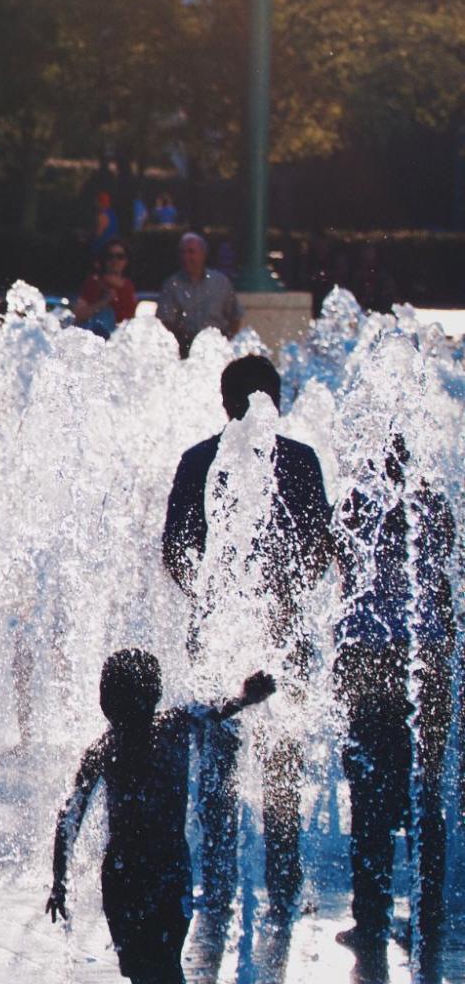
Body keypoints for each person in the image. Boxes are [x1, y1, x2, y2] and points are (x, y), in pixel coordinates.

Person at [161, 355, 332, 917]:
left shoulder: (198, 460)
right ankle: (282, 879)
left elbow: (175, 551)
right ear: (273, 402)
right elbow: (319, 549)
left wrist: (211, 597)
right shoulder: (301, 462)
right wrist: (284, 596)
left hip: (218, 635)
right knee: (280, 762)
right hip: (281, 637)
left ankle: (219, 881)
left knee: (219, 761)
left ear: (225, 401)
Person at [48, 651, 276, 984]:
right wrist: (58, 879)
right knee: (145, 972)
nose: (107, 702)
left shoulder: (170, 726)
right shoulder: (116, 745)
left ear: (149, 696)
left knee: (163, 966)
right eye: (106, 693)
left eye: (113, 693)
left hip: (151, 871)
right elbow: (70, 815)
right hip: (138, 874)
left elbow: (70, 816)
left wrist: (244, 698)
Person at [330, 434, 454, 968]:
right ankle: (427, 914)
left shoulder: (357, 503)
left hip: (368, 654)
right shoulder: (435, 504)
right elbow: (447, 575)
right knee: (426, 788)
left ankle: (372, 918)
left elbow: (342, 575)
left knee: (370, 792)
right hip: (426, 655)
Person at [155, 232, 239, 356]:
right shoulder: (172, 285)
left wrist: (228, 341)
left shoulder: (220, 282)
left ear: (203, 254)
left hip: (216, 346)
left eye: (191, 252)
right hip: (184, 347)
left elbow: (235, 316)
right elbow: (165, 321)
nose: (186, 257)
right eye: (182, 252)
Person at [72, 242, 138, 336]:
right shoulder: (94, 282)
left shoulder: (129, 286)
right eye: (110, 256)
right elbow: (77, 316)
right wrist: (104, 301)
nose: (115, 260)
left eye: (120, 256)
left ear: (126, 261)